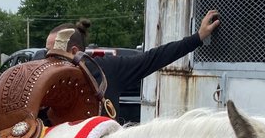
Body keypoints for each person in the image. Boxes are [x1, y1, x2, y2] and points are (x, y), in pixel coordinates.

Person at [45, 10, 222, 120]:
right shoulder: (46, 81)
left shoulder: (107, 69)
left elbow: (153, 58)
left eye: (53, 51)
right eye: (47, 52)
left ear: (74, 51)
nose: (47, 58)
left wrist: (197, 38)